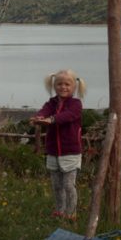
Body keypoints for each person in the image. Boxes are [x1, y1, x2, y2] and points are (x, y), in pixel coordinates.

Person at [30, 69, 86, 220]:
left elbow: (67, 116)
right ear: (54, 86)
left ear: (74, 87)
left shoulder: (76, 104)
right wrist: (39, 117)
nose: (63, 87)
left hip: (70, 151)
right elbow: (45, 110)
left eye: (67, 84)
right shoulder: (52, 103)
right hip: (53, 151)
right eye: (59, 84)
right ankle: (59, 210)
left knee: (69, 185)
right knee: (56, 185)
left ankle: (71, 212)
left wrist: (52, 119)